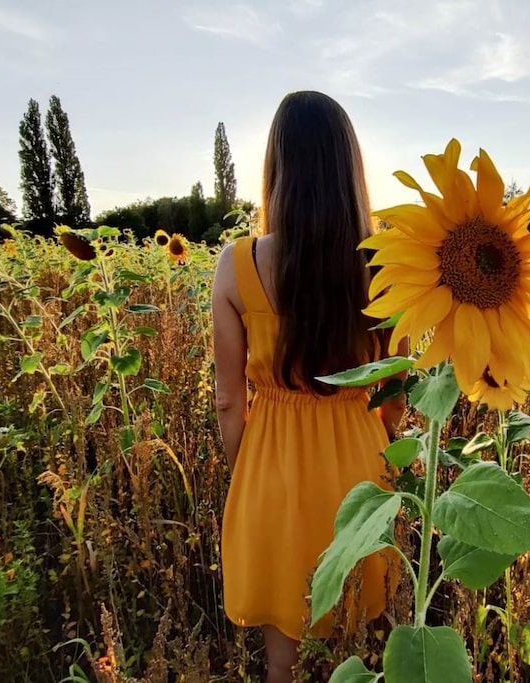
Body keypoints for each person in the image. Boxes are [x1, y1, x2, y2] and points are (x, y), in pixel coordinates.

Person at [210, 91, 407, 683]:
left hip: (272, 469)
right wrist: (382, 442)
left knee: (282, 661)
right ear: (351, 169)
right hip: (360, 465)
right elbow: (394, 392)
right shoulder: (385, 265)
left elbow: (226, 400)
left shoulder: (237, 264)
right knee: (366, 639)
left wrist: (246, 473)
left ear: (277, 167)